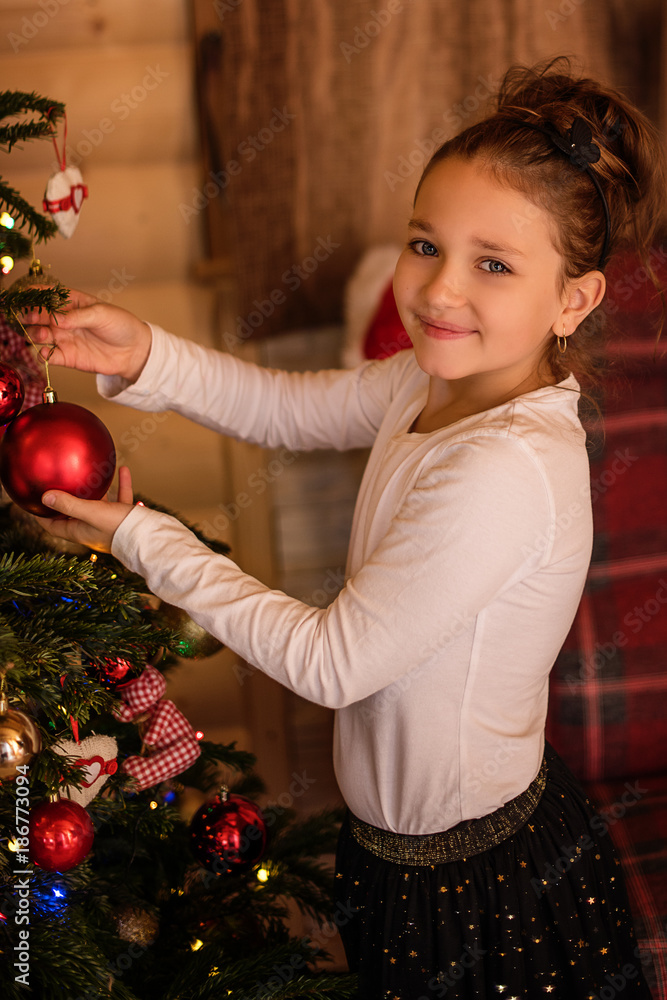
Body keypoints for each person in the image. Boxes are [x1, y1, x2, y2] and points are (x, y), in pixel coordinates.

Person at [25, 58, 664, 998]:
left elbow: (334, 662)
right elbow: (289, 409)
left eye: (492, 264)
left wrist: (141, 539)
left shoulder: (506, 466)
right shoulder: (432, 382)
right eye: (423, 244)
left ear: (573, 299)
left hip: (477, 886)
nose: (440, 291)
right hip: (394, 858)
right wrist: (147, 352)